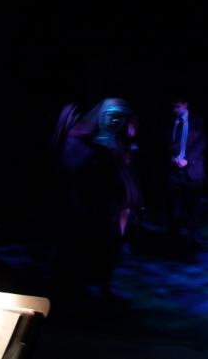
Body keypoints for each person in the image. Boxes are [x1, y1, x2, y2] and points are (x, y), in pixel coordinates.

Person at [52, 98, 140, 305]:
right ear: (101, 116)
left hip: (108, 208)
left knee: (107, 251)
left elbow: (121, 175)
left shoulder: (117, 143)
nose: (115, 121)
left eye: (120, 117)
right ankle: (74, 292)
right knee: (81, 250)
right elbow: (71, 175)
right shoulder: (79, 141)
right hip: (85, 207)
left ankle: (101, 289)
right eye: (111, 115)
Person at [167, 96, 207, 248]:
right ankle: (175, 237)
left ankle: (194, 235)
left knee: (193, 206)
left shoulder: (197, 121)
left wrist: (187, 159)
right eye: (173, 107)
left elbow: (202, 142)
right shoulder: (171, 122)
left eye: (178, 106)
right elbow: (165, 143)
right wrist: (172, 158)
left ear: (185, 104)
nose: (175, 110)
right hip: (173, 170)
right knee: (174, 207)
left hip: (192, 169)